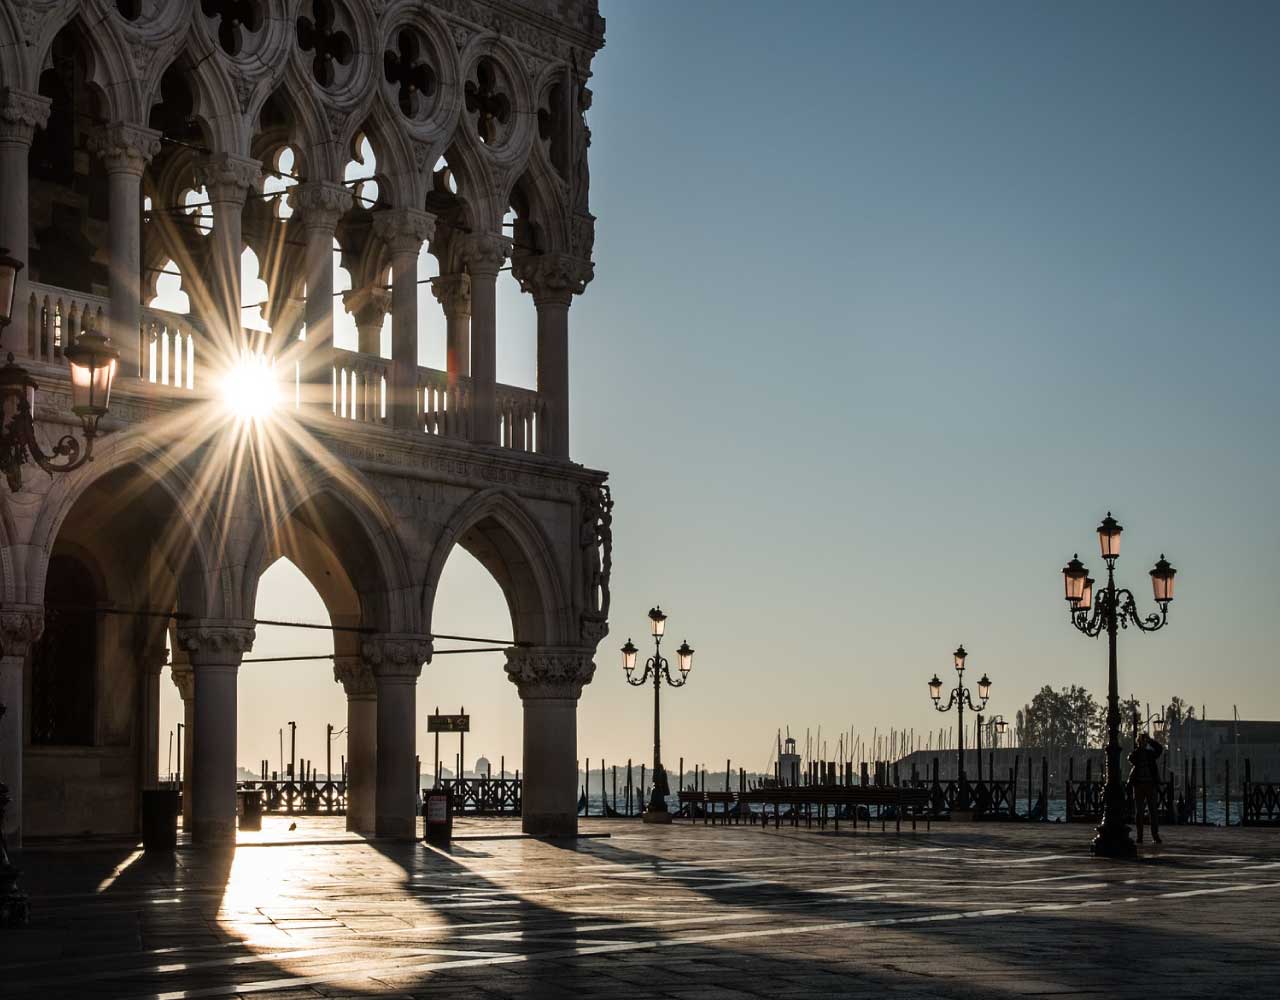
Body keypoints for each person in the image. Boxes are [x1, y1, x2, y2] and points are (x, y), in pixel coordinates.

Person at [1128, 732, 1164, 843]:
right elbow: (1131, 758)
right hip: (1139, 785)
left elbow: (1159, 749)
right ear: (1139, 742)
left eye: (1144, 741)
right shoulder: (1136, 754)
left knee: (1153, 811)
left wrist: (1150, 740)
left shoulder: (1150, 753)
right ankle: (1140, 836)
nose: (1143, 743)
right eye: (1141, 741)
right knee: (1139, 812)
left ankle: (1155, 835)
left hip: (1150, 785)